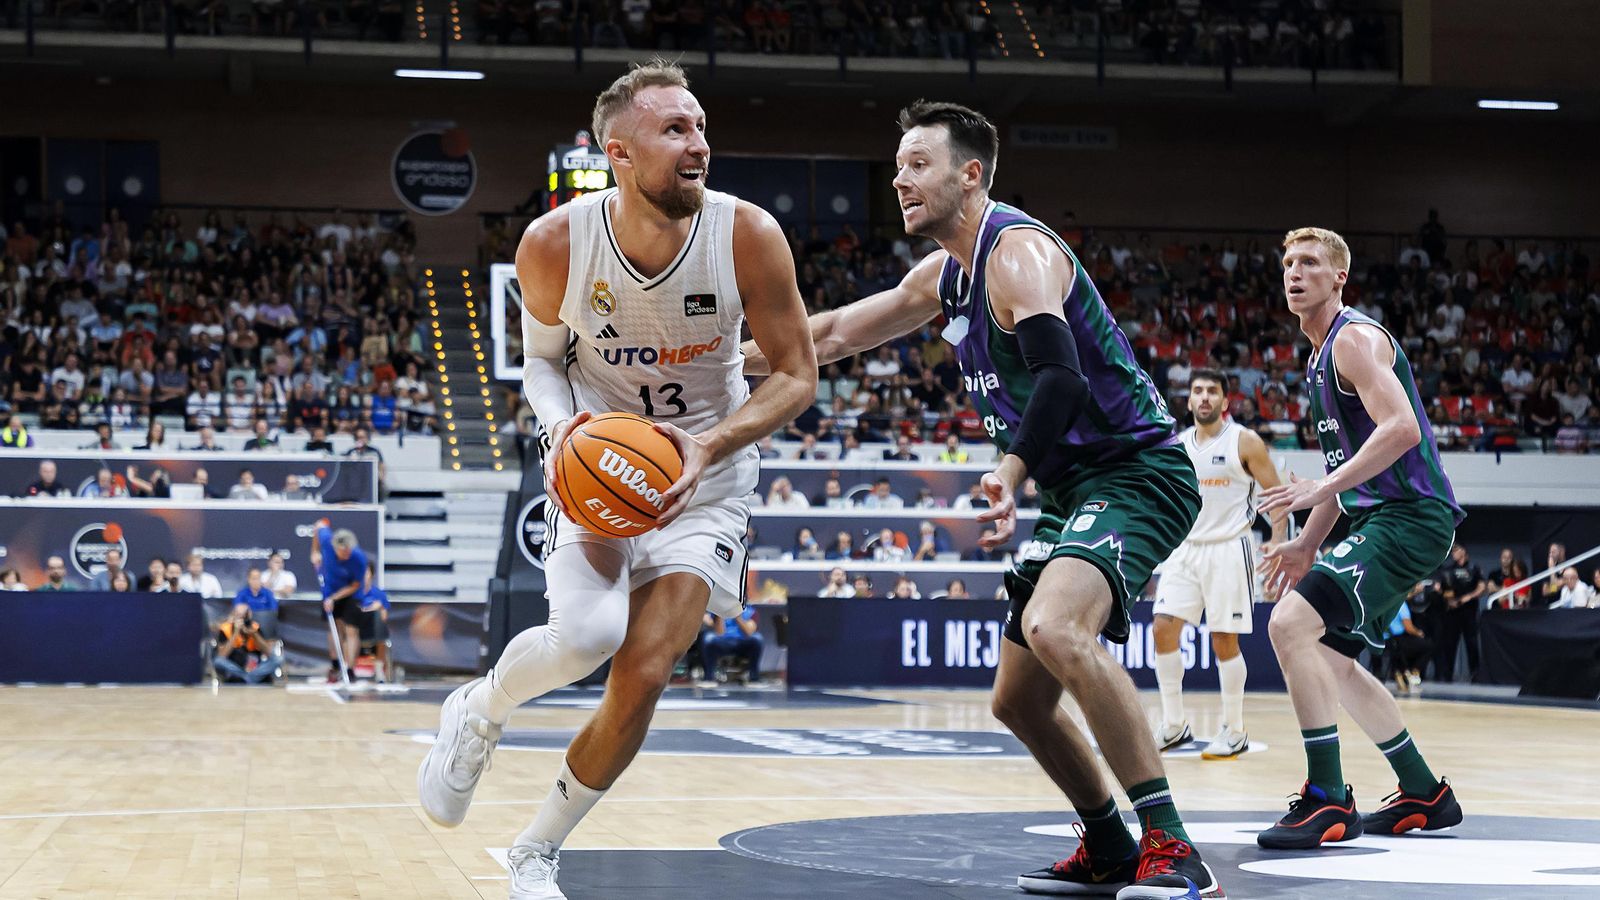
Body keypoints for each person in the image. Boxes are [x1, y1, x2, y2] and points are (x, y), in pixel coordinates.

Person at [742, 101, 1216, 898]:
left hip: (1137, 470)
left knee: (1056, 627)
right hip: (1075, 487)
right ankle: (1109, 845)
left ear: (970, 175)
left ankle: (1173, 847)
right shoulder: (945, 275)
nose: (900, 179)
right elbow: (831, 336)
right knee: (1017, 702)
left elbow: (1062, 378)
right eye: (898, 166)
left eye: (917, 164)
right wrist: (718, 361)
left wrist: (1010, 470)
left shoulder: (1018, 254)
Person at [417, 60, 816, 900]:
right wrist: (562, 426)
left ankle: (535, 851)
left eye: (700, 127)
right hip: (600, 466)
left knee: (643, 673)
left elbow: (796, 375)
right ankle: (480, 711)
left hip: (707, 480)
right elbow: (540, 363)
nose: (698, 144)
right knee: (587, 638)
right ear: (620, 154)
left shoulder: (747, 234)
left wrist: (709, 445)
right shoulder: (554, 243)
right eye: (675, 129)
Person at [1254, 227, 1464, 850]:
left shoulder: (1354, 339)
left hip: (1412, 516)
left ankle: (1327, 799)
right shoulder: (1318, 358)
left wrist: (1319, 491)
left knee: (1289, 625)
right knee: (1332, 662)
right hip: (1383, 518)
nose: (1295, 273)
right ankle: (1425, 791)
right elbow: (1346, 468)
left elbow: (1401, 428)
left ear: (1339, 277)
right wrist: (1306, 543)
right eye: (1288, 263)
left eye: (1309, 263)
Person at [1150, 368, 1286, 760]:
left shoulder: (1245, 441)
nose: (1205, 397)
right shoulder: (1177, 445)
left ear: (1225, 401)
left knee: (1223, 639)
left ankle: (1235, 729)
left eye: (1212, 391)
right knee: (1162, 628)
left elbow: (1276, 495)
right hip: (1185, 548)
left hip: (1229, 547)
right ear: (1189, 400)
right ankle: (1174, 724)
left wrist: (1278, 541)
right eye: (1198, 391)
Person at [310, 523, 370, 683]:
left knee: (351, 630)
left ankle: (349, 670)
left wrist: (334, 598)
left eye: (348, 550)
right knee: (335, 629)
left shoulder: (358, 558)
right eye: (343, 551)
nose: (346, 554)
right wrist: (314, 551)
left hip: (351, 593)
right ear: (335, 547)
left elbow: (355, 585)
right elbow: (319, 525)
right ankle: (336, 666)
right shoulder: (327, 540)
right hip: (330, 590)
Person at [1433, 544, 1484, 683]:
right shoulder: (1448, 570)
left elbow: (1481, 587)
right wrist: (1446, 596)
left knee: (1472, 643)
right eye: (1452, 551)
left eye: (1456, 550)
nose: (1453, 553)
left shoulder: (1474, 568)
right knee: (1450, 644)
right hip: (1452, 613)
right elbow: (1444, 589)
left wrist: (1468, 597)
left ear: (1463, 551)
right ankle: (1447, 675)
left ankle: (1476, 675)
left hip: (1469, 612)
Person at [211, 606, 281, 685]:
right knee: (218, 661)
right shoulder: (226, 628)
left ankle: (245, 679)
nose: (243, 620)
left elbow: (268, 652)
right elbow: (222, 655)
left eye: (245, 617)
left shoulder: (254, 627)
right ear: (233, 616)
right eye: (239, 616)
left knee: (278, 659)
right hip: (235, 665)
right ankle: (250, 679)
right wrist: (235, 633)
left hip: (254, 667)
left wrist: (254, 634)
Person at [699, 608, 762, 684]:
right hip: (723, 642)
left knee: (757, 638)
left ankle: (754, 678)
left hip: (743, 642)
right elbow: (720, 633)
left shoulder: (750, 612)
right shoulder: (717, 610)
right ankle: (709, 677)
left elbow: (748, 632)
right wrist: (721, 614)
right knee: (708, 638)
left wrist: (737, 617)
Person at [359, 560, 393, 682]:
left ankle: (379, 672)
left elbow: (384, 617)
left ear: (372, 574)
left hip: (374, 631)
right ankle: (347, 670)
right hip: (355, 631)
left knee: (382, 635)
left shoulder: (379, 594)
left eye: (366, 572)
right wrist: (368, 609)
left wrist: (379, 608)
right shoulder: (352, 594)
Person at [232, 566, 281, 639]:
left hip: (265, 628)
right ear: (248, 579)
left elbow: (273, 611)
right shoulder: (242, 593)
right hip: (247, 628)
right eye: (254, 578)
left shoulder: (268, 593)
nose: (256, 581)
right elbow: (238, 610)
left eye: (258, 578)